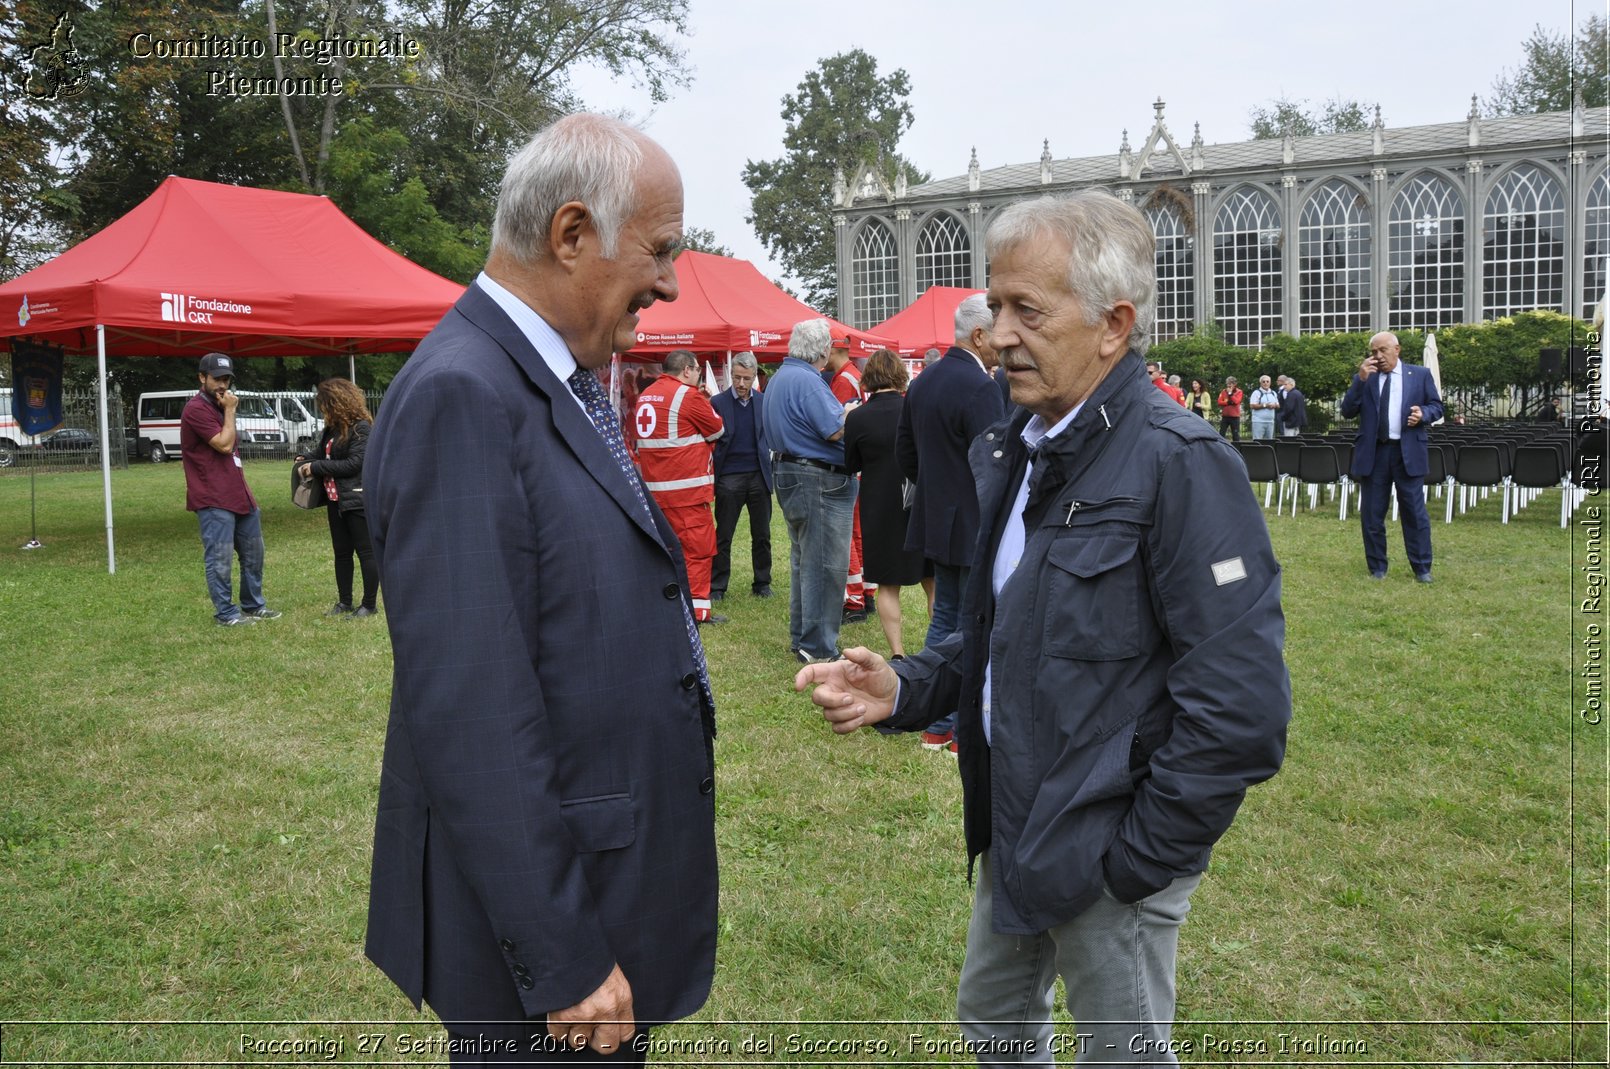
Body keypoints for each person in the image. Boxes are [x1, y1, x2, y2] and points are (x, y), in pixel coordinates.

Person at [796, 190, 1289, 1068]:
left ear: (1113, 324)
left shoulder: (1181, 464)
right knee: (994, 1022)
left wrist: (1137, 863)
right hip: (1016, 827)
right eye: (995, 304)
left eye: (1029, 308)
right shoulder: (1014, 446)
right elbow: (996, 639)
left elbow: (1241, 712)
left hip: (1107, 846)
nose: (999, 330)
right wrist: (905, 685)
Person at [361, 113, 718, 1065]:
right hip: (548, 953)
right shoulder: (464, 395)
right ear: (571, 235)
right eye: (660, 249)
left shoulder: (546, 378)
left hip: (599, 884)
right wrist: (560, 957)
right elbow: (474, 708)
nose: (670, 281)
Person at [896, 292, 1005, 753]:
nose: (1004, 343)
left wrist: (939, 492)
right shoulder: (981, 387)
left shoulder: (923, 380)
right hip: (974, 520)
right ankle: (959, 729)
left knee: (945, 616)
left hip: (936, 517)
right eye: (997, 334)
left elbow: (907, 452)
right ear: (979, 336)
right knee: (972, 622)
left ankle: (936, 723)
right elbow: (996, 459)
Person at [764, 318, 857, 663]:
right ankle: (818, 647)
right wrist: (850, 412)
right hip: (817, 478)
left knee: (805, 560)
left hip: (791, 473)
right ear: (822, 350)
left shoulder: (779, 379)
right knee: (824, 565)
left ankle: (803, 638)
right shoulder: (808, 382)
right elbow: (834, 431)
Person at [180, 352, 280, 627]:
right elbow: (224, 444)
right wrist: (231, 411)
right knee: (220, 558)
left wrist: (227, 410)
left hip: (238, 493)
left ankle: (253, 605)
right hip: (213, 497)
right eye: (217, 379)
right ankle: (226, 614)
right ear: (202, 378)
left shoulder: (221, 406)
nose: (222, 385)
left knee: (254, 554)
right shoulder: (196, 409)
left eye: (226, 379)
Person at [843, 350, 929, 658]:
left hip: (879, 506)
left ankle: (897, 652)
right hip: (919, 502)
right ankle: (938, 646)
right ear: (899, 375)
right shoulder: (916, 409)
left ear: (869, 378)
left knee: (887, 585)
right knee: (932, 581)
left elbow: (850, 464)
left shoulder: (858, 417)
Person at [1340, 330, 1444, 583]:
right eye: (1373, 352)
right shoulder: (1367, 378)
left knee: (1414, 513)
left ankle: (1422, 568)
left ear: (1397, 349)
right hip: (1375, 453)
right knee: (1372, 514)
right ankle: (1377, 567)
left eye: (1382, 350)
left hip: (1407, 451)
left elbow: (1437, 406)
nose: (1377, 356)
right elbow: (1347, 411)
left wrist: (1424, 415)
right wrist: (1360, 380)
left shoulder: (1419, 375)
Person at [632, 349, 726, 623]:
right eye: (697, 370)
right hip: (686, 493)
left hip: (655, 492)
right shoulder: (687, 395)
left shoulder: (646, 395)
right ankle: (698, 612)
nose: (698, 376)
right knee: (698, 551)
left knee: (666, 552)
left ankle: (668, 606)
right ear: (687, 370)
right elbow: (718, 429)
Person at [295, 377, 378, 617]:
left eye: (324, 404)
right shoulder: (332, 430)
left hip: (357, 500)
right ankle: (345, 602)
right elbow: (322, 452)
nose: (321, 410)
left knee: (366, 553)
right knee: (342, 553)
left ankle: (369, 605)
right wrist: (305, 458)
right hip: (336, 501)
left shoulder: (361, 428)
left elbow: (354, 464)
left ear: (335, 403)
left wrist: (317, 467)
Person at [710, 351, 772, 600]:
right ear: (730, 374)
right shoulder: (718, 402)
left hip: (758, 475)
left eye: (746, 378)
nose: (741, 384)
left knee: (763, 535)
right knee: (723, 535)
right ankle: (717, 586)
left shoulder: (763, 401)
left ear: (754, 376)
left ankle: (762, 582)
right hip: (729, 477)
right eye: (737, 378)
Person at [825, 344, 872, 624]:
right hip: (861, 466)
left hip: (849, 467)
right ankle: (866, 592)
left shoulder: (843, 380)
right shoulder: (856, 374)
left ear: (833, 351)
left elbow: (836, 427)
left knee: (847, 536)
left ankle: (853, 599)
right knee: (857, 535)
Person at [1248, 375, 1279, 439]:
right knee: (1257, 441)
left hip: (1270, 421)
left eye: (1267, 381)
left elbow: (1278, 405)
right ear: (1260, 383)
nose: (1266, 383)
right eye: (1263, 381)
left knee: (1269, 442)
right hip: (1258, 421)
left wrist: (1274, 405)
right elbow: (1252, 405)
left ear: (1270, 383)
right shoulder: (1256, 393)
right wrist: (1265, 405)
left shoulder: (1273, 393)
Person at [1217, 376, 1243, 440]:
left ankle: (1236, 448)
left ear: (1235, 384)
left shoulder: (1239, 392)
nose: (1228, 385)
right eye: (1227, 384)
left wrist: (1230, 394)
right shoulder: (1223, 391)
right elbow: (1219, 402)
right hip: (1225, 416)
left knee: (1235, 435)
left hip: (1235, 417)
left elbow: (1236, 401)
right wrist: (1228, 403)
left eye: (1230, 384)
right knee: (1221, 433)